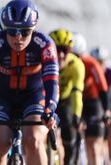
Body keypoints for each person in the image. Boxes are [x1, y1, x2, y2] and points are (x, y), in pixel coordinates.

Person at [0, 0, 60, 164]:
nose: (18, 37)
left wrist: (50, 108)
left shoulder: (44, 44)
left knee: (34, 139)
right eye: (12, 31)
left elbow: (52, 80)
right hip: (3, 96)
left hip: (33, 95)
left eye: (25, 32)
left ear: (34, 29)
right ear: (5, 29)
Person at [72, 33, 111, 165]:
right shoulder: (66, 63)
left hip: (93, 103)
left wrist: (106, 110)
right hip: (75, 102)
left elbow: (103, 87)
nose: (75, 59)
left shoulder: (90, 63)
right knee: (75, 143)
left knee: (93, 144)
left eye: (78, 56)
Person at [49, 29, 85, 165]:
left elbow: (77, 92)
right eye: (57, 50)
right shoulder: (43, 59)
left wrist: (77, 115)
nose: (61, 55)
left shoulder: (76, 65)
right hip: (48, 99)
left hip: (65, 100)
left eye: (65, 50)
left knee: (69, 129)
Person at [90, 46, 111, 161]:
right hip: (97, 107)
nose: (99, 65)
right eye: (97, 62)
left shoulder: (109, 74)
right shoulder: (91, 73)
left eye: (101, 62)